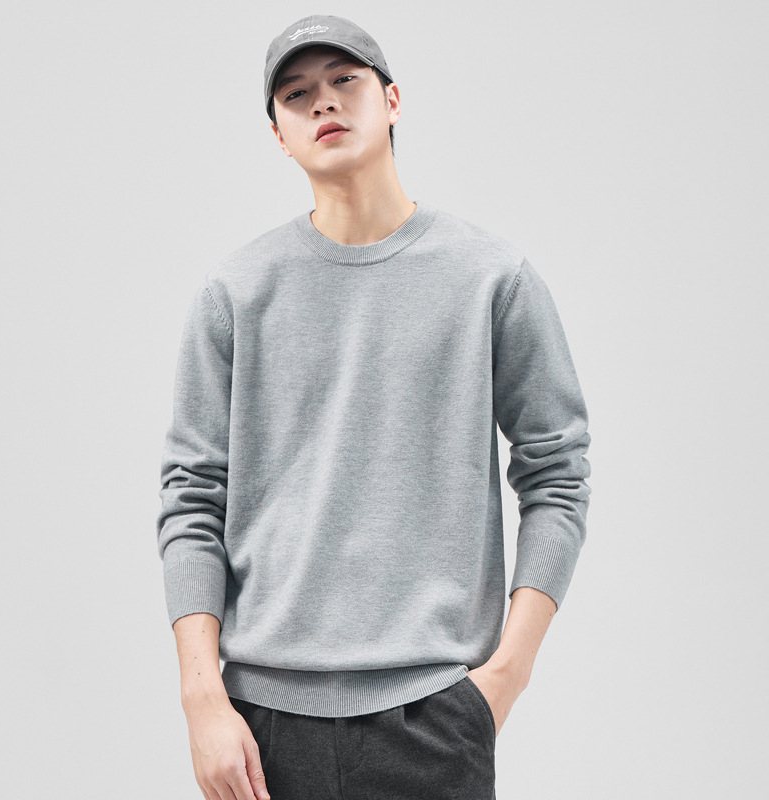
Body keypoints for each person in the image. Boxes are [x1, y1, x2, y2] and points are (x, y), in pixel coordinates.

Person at [156, 13, 592, 800]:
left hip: (433, 715)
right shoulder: (235, 293)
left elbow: (557, 474)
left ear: (392, 101)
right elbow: (191, 500)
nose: (323, 102)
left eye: (344, 80)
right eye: (297, 94)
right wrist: (203, 700)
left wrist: (506, 677)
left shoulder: (492, 278)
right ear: (280, 136)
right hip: (261, 724)